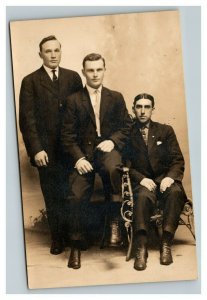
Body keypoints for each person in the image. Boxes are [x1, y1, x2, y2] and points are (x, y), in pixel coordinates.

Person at [61, 53, 132, 269]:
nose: (95, 74)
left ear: (104, 70)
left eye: (99, 69)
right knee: (76, 193)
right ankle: (75, 244)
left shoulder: (116, 97)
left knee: (113, 170)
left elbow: (127, 126)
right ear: (83, 72)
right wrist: (79, 158)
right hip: (84, 155)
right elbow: (67, 136)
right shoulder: (73, 100)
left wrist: (113, 141)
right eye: (90, 70)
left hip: (107, 152)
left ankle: (114, 223)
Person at [19, 35, 83, 255]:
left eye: (57, 50)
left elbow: (81, 113)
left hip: (71, 149)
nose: (53, 55)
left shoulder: (73, 77)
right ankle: (57, 239)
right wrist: (36, 149)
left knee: (74, 193)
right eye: (48, 51)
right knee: (53, 195)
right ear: (40, 55)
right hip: (46, 152)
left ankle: (74, 237)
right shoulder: (30, 81)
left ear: (61, 52)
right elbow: (27, 120)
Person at [126, 93, 186, 271]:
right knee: (142, 198)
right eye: (139, 106)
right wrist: (141, 179)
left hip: (165, 179)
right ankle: (141, 247)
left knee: (175, 193)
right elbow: (125, 165)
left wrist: (169, 177)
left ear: (153, 109)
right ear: (133, 109)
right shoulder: (127, 134)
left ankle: (166, 243)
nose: (142, 111)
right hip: (143, 182)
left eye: (147, 107)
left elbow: (177, 160)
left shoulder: (165, 131)